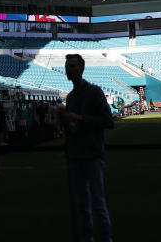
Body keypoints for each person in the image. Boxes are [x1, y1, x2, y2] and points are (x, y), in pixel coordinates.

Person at [61, 53, 114, 242]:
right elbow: (72, 128)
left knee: (98, 204)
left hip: (92, 155)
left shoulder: (95, 92)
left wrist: (80, 118)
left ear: (81, 68)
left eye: (72, 66)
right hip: (76, 156)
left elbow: (109, 121)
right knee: (83, 206)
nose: (69, 69)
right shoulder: (71, 96)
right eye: (67, 66)